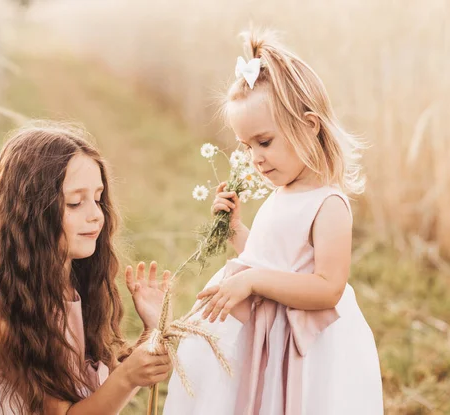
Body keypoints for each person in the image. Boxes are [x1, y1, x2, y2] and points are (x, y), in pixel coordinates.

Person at [164, 29, 383, 415]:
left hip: (299, 343)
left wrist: (252, 280)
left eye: (264, 142)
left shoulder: (328, 204)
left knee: (293, 401)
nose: (256, 159)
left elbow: (328, 288)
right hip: (263, 333)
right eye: (247, 148)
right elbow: (271, 258)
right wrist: (235, 230)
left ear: (310, 126)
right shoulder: (282, 195)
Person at [0, 121, 172, 414]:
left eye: (98, 199)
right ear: (32, 214)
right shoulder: (10, 304)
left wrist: (149, 337)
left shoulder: (72, 282)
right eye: (75, 203)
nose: (95, 216)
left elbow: (101, 398)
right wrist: (128, 377)